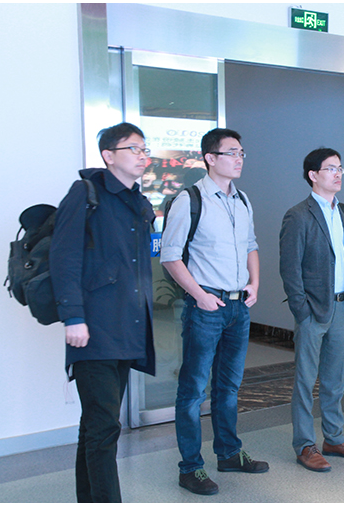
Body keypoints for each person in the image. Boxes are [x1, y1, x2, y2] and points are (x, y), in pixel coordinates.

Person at [49, 122, 156, 502]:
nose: (143, 156)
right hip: (93, 329)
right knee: (104, 426)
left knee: (96, 425)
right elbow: (64, 258)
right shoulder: (85, 193)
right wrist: (73, 317)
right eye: (133, 149)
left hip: (126, 327)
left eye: (144, 149)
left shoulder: (138, 201)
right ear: (109, 156)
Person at [161, 128, 268, 496]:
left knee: (229, 387)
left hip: (239, 307)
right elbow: (170, 257)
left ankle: (229, 453)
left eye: (241, 153)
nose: (239, 159)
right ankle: (191, 467)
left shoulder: (242, 199)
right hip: (205, 308)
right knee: (193, 390)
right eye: (231, 153)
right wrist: (199, 295)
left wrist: (255, 283)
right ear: (210, 158)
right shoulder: (189, 200)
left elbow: (251, 245)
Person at [279, 147, 344, 472]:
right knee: (305, 380)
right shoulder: (298, 215)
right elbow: (290, 268)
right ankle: (305, 445)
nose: (338, 174)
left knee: (335, 379)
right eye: (331, 168)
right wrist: (301, 309)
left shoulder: (342, 210)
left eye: (340, 168)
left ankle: (334, 437)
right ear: (313, 175)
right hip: (313, 310)